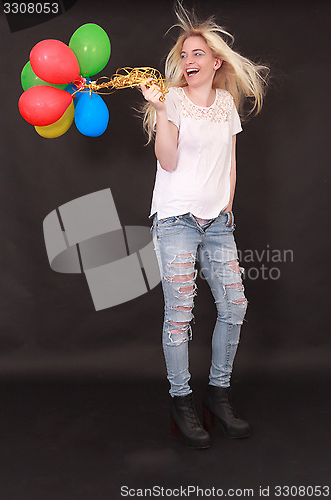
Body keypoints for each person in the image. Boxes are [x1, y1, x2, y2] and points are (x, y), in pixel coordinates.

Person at [140, 2, 269, 449]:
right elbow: (169, 160)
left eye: (197, 53)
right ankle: (182, 402)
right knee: (180, 315)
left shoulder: (227, 105)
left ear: (216, 61)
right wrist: (159, 110)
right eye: (184, 55)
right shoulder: (172, 99)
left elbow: (230, 164)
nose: (188, 61)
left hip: (217, 223)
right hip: (176, 218)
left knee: (235, 307)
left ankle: (218, 395)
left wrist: (226, 208)